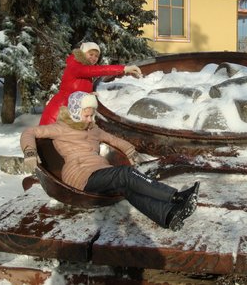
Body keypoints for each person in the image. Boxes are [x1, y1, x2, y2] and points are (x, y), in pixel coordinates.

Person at [22, 91, 199, 231]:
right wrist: (29, 152)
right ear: (75, 112)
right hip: (80, 176)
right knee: (125, 173)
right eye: (87, 115)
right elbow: (29, 132)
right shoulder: (60, 128)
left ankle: (168, 216)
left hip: (100, 172)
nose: (91, 119)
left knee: (126, 188)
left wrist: (129, 149)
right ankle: (176, 197)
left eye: (92, 115)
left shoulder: (93, 128)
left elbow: (113, 139)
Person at [39, 42, 142, 125]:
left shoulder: (83, 67)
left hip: (70, 109)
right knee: (46, 139)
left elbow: (78, 88)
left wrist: (88, 94)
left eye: (96, 56)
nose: (94, 58)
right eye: (91, 54)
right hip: (59, 111)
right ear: (83, 53)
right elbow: (97, 70)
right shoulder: (75, 65)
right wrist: (124, 69)